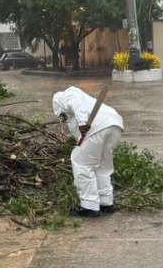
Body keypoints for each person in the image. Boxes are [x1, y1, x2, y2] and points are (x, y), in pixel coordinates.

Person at [52, 86, 124, 218]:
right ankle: (106, 202)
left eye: (62, 116)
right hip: (115, 124)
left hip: (96, 125)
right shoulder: (87, 101)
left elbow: (75, 101)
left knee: (82, 164)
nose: (63, 118)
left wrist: (82, 122)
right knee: (102, 166)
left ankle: (89, 206)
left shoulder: (63, 96)